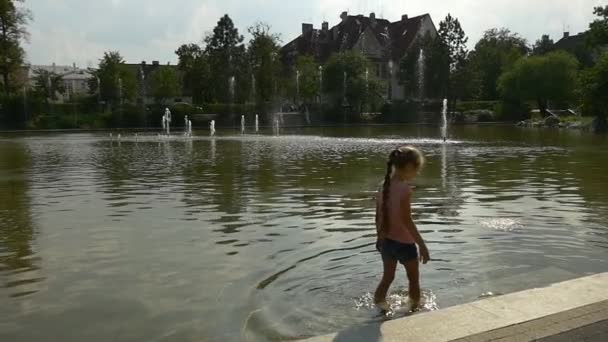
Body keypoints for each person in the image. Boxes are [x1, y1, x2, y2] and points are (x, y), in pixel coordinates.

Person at [374, 146, 430, 312]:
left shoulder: (383, 185)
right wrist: (422, 245)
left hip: (387, 242)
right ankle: (414, 310)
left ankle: (380, 308)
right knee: (413, 280)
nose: (417, 174)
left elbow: (378, 216)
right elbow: (407, 221)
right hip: (405, 243)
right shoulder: (404, 189)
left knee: (387, 278)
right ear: (408, 168)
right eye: (417, 170)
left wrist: (379, 237)